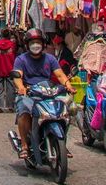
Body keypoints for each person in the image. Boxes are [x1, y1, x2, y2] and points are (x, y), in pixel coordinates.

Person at [12, 28, 74, 160]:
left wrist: (68, 86)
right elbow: (17, 76)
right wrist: (21, 88)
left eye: (38, 42)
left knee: (66, 112)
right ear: (27, 45)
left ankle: (62, 142)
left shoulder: (50, 59)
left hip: (49, 92)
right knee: (24, 112)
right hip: (29, 94)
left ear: (43, 44)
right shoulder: (21, 59)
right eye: (32, 42)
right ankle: (24, 146)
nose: (36, 45)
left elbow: (60, 75)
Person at [0, 28, 18, 112]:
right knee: (11, 88)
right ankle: (11, 106)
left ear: (1, 35)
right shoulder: (12, 45)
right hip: (10, 69)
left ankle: (0, 107)